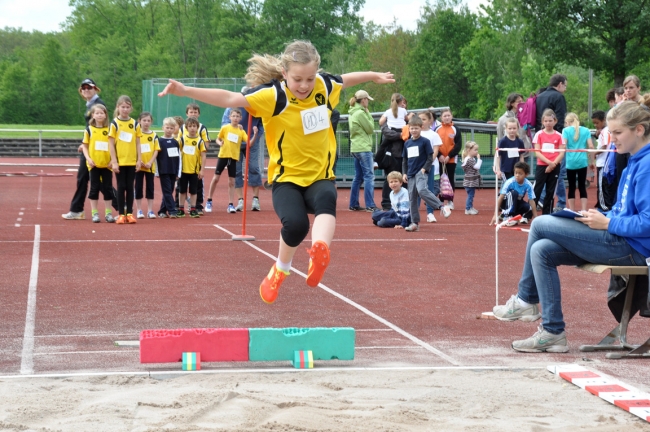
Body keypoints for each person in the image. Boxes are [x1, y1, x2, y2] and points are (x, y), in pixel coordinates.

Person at [158, 39, 394, 304]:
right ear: (284, 74)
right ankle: (280, 269)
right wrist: (184, 89)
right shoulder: (273, 96)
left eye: (309, 78)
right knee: (296, 225)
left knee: (327, 202)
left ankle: (320, 251)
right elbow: (230, 98)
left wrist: (374, 76)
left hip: (320, 175)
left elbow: (347, 79)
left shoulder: (325, 86)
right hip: (287, 179)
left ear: (317, 72)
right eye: (298, 79)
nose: (304, 85)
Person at [492, 101, 650, 353]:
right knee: (541, 249)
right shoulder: (634, 159)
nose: (611, 139)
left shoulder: (647, 163)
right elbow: (625, 210)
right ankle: (553, 332)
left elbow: (647, 222)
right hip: (619, 237)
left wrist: (608, 222)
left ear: (639, 130)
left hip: (633, 248)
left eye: (617, 133)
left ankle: (525, 300)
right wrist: (601, 214)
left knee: (542, 223)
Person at [62, 78, 107, 220]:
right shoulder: (90, 104)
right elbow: (90, 128)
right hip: (90, 146)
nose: (86, 90)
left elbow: (101, 126)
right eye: (84, 88)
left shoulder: (98, 104)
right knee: (90, 179)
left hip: (95, 149)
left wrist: (86, 144)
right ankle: (77, 209)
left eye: (89, 87)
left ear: (96, 89)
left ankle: (121, 206)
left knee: (95, 180)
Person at [217, 90, 264, 213]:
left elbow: (262, 123)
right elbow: (224, 123)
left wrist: (257, 135)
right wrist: (234, 129)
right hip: (235, 143)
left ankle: (255, 199)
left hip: (251, 141)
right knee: (236, 170)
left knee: (253, 167)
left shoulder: (255, 107)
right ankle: (240, 200)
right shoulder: (231, 107)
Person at [401, 115, 451, 232]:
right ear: (409, 129)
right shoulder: (407, 143)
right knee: (412, 198)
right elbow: (404, 160)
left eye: (416, 128)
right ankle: (415, 223)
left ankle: (442, 207)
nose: (414, 130)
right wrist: (404, 173)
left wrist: (424, 169)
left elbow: (430, 157)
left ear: (421, 128)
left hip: (421, 172)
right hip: (410, 174)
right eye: (412, 128)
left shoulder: (425, 141)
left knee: (422, 190)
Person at [536, 75, 568, 211]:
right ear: (560, 84)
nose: (565, 89)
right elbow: (560, 119)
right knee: (558, 174)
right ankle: (559, 202)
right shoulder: (558, 97)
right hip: (554, 141)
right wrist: (558, 137)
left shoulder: (540, 96)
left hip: (541, 137)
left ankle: (542, 201)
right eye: (565, 86)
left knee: (543, 176)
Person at [108, 95, 142, 224]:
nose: (125, 109)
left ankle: (130, 213)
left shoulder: (134, 124)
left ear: (131, 108)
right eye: (123, 107)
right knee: (121, 187)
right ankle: (121, 213)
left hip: (132, 161)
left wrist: (139, 160)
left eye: (128, 107)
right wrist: (114, 161)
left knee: (130, 187)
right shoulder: (114, 124)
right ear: (118, 107)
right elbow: (111, 143)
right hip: (120, 161)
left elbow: (138, 143)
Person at [80, 104, 116, 223]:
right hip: (94, 164)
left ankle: (108, 213)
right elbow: (84, 147)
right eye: (97, 113)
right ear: (93, 115)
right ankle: (95, 213)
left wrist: (113, 160)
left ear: (105, 115)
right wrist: (88, 159)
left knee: (108, 189)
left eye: (102, 113)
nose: (100, 115)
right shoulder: (89, 130)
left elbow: (115, 146)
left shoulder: (110, 129)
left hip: (107, 165)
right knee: (94, 189)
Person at [208, 109, 248, 213]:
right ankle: (209, 200)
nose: (235, 118)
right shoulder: (225, 128)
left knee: (231, 181)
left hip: (233, 157)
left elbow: (249, 142)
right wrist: (219, 143)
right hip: (223, 155)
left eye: (237, 116)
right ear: (229, 117)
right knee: (216, 178)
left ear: (240, 118)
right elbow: (218, 138)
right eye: (233, 116)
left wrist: (256, 134)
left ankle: (230, 204)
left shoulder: (241, 131)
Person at [348, 89, 378, 212]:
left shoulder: (352, 112)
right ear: (364, 100)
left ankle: (353, 204)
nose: (368, 103)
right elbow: (370, 128)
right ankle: (370, 205)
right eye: (367, 100)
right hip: (364, 148)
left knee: (358, 177)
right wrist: (368, 113)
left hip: (355, 148)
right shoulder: (361, 113)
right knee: (369, 177)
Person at [376, 93, 407, 209]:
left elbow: (411, 132)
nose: (403, 105)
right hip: (392, 154)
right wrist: (400, 135)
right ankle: (386, 203)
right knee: (390, 179)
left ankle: (403, 202)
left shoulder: (406, 120)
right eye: (402, 103)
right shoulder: (388, 118)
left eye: (405, 104)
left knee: (404, 179)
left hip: (405, 154)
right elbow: (386, 132)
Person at [532, 109, 565, 215]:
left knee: (551, 191)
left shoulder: (559, 136)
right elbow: (537, 152)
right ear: (542, 122)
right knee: (537, 189)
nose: (548, 123)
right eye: (546, 121)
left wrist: (553, 164)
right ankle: (530, 213)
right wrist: (548, 163)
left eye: (550, 121)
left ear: (555, 121)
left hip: (555, 166)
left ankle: (547, 213)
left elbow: (561, 152)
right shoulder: (539, 134)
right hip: (542, 165)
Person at [181, 103, 210, 214]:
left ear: (199, 114)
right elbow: (178, 142)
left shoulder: (201, 127)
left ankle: (197, 205)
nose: (193, 114)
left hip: (196, 161)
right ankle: (179, 206)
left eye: (195, 112)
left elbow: (206, 143)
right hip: (184, 161)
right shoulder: (182, 128)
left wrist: (200, 150)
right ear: (187, 113)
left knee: (197, 185)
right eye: (191, 112)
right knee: (181, 186)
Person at [562, 113, 594, 213]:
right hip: (582, 161)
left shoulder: (566, 130)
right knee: (582, 186)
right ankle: (584, 209)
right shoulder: (586, 130)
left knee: (571, 186)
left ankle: (572, 210)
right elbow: (591, 146)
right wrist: (592, 161)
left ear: (567, 122)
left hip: (570, 162)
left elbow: (563, 146)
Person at [489, 161, 537, 226]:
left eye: (520, 173)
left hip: (516, 202)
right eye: (516, 173)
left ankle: (508, 216)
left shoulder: (528, 184)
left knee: (527, 207)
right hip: (505, 201)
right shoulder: (510, 182)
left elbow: (531, 201)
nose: (517, 175)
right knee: (514, 193)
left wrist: (536, 218)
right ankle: (507, 216)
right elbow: (500, 197)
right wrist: (495, 215)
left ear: (526, 174)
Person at [178, 117, 207, 218]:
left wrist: (202, 170)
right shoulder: (182, 139)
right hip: (183, 170)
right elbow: (178, 152)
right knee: (182, 190)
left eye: (194, 126)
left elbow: (203, 155)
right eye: (190, 126)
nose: (192, 128)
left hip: (195, 171)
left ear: (197, 127)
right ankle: (181, 208)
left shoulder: (200, 141)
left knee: (194, 191)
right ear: (186, 128)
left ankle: (193, 209)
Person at [435, 108, 463, 209]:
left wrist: (449, 156)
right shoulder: (437, 129)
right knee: (440, 179)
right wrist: (439, 156)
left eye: (448, 115)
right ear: (441, 118)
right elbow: (434, 144)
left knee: (450, 179)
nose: (447, 118)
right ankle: (441, 200)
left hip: (451, 160)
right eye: (444, 116)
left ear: (451, 116)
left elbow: (458, 145)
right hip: (439, 159)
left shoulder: (456, 129)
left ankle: (450, 200)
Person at [418, 110, 442, 223]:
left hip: (430, 166)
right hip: (417, 167)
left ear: (430, 121)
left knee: (430, 189)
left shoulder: (434, 135)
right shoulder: (416, 133)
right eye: (420, 119)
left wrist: (427, 164)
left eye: (424, 119)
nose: (421, 122)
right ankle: (414, 212)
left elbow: (435, 151)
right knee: (416, 189)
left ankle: (430, 213)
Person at [155, 117, 181, 218]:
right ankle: (172, 210)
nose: (169, 130)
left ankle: (162, 210)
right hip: (163, 170)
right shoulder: (159, 141)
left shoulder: (175, 142)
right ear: (163, 128)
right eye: (167, 127)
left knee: (169, 191)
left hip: (173, 171)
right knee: (167, 191)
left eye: (171, 128)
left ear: (174, 129)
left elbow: (179, 158)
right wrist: (157, 171)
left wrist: (178, 172)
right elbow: (156, 157)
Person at [135, 112, 158, 219]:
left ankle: (150, 210)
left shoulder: (153, 135)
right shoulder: (136, 134)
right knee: (138, 187)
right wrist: (139, 160)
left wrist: (150, 162)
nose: (146, 123)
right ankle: (139, 210)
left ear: (151, 122)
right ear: (139, 121)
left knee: (150, 188)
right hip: (138, 166)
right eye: (144, 120)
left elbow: (156, 150)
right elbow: (133, 148)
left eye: (148, 121)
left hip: (150, 167)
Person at [591, 110, 614, 212]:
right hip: (607, 162)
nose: (595, 125)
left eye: (597, 123)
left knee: (601, 185)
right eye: (594, 123)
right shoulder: (607, 130)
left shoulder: (605, 131)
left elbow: (604, 146)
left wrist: (594, 153)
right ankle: (605, 205)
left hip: (603, 163)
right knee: (605, 185)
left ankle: (604, 206)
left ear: (603, 120)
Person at [461, 141, 482, 215]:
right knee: (470, 195)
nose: (477, 152)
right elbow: (477, 167)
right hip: (469, 181)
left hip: (471, 181)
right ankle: (468, 209)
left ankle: (470, 207)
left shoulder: (471, 158)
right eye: (475, 150)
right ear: (469, 150)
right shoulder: (469, 159)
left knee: (471, 195)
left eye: (477, 150)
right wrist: (479, 159)